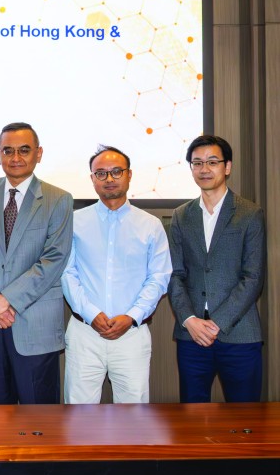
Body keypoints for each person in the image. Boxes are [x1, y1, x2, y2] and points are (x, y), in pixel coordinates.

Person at [0, 122, 72, 405]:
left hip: (34, 325)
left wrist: (8, 300)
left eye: (24, 150)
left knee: (40, 423)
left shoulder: (58, 199)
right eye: (8, 151)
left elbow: (54, 259)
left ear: (38, 153)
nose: (15, 158)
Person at [61, 145, 171, 403]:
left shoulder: (150, 225)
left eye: (116, 172)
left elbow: (159, 278)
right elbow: (67, 273)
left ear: (129, 175)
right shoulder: (75, 222)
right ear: (92, 179)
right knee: (80, 416)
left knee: (134, 417)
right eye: (101, 173)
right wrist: (92, 314)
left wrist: (131, 317)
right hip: (84, 333)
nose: (109, 179)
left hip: (132, 334)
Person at [167, 135, 264, 403]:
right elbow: (175, 274)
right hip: (192, 336)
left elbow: (253, 277)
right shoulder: (181, 215)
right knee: (193, 419)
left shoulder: (249, 213)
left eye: (212, 162)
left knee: (245, 422)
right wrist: (190, 320)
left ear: (227, 167)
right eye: (197, 163)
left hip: (240, 335)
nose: (204, 169)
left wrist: (217, 323)